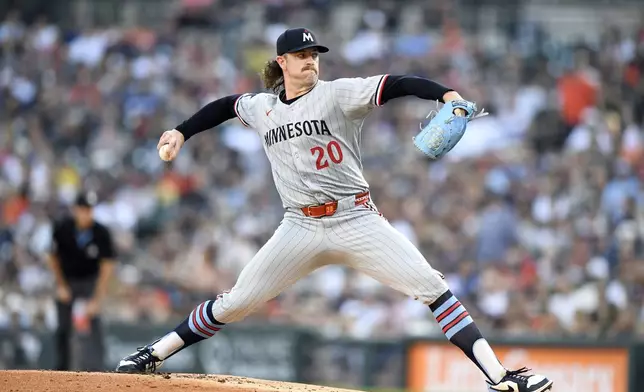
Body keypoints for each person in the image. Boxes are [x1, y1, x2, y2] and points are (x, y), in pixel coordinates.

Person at [116, 27, 553, 392]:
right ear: (281, 62)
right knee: (236, 303)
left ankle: (500, 377)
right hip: (298, 226)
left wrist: (446, 95)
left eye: (314, 54)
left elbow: (397, 83)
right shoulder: (264, 108)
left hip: (355, 218)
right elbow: (224, 107)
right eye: (301, 55)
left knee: (431, 286)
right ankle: (153, 353)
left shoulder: (339, 94)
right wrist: (180, 131)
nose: (310, 61)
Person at [46, 192, 116, 371]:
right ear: (76, 210)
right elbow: (53, 258)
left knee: (95, 328)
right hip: (68, 282)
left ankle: (98, 371)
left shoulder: (101, 232)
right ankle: (61, 371)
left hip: (90, 283)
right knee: (63, 328)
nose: (87, 214)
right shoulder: (62, 228)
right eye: (83, 210)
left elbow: (107, 267)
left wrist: (97, 299)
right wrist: (61, 286)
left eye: (90, 210)